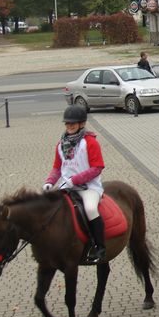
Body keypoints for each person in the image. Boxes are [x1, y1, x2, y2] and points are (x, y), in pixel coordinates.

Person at [44, 105, 106, 262]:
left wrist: (74, 180)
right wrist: (50, 182)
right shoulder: (61, 144)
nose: (69, 126)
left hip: (89, 188)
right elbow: (57, 168)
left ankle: (99, 247)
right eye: (67, 123)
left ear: (82, 124)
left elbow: (97, 168)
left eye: (73, 123)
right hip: (67, 187)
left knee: (91, 209)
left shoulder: (90, 142)